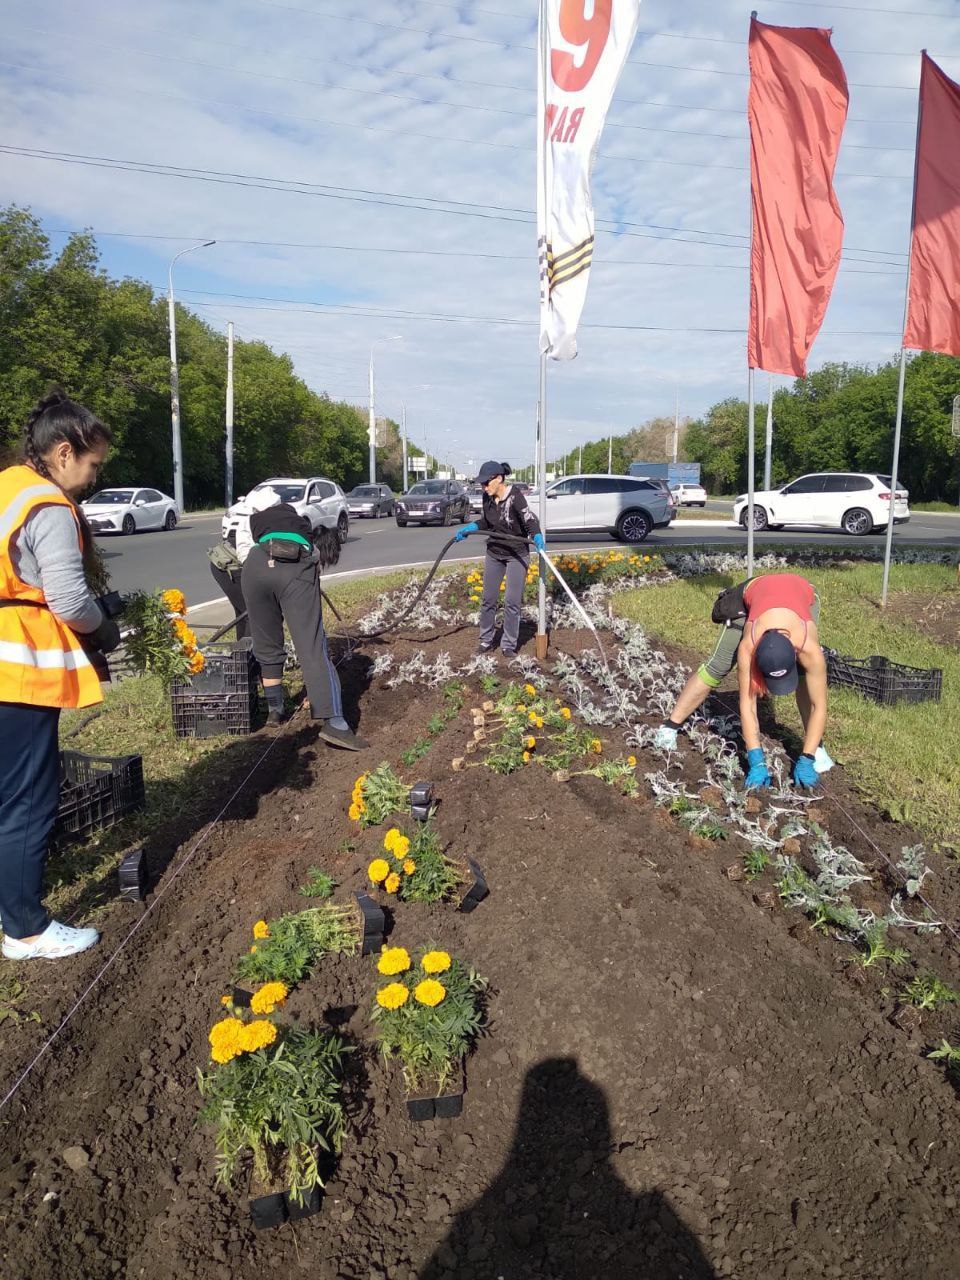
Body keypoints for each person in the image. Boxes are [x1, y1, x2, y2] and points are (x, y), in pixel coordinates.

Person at [0, 391, 120, 960]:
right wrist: (102, 627)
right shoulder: (46, 504)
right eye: (93, 465)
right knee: (26, 798)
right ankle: (25, 929)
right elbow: (69, 598)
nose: (93, 478)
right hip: (15, 669)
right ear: (64, 451)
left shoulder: (7, 487)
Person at [654, 572, 832, 789]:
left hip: (801, 594)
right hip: (754, 594)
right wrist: (756, 760)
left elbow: (819, 705)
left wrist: (806, 758)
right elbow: (747, 705)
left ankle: (815, 748)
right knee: (718, 666)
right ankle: (670, 726)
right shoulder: (748, 646)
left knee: (806, 677)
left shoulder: (809, 648)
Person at [240, 488, 365, 748]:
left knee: (266, 640)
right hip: (294, 566)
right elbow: (314, 556)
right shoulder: (297, 520)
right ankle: (336, 724)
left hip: (253, 567)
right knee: (311, 646)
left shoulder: (254, 522)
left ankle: (275, 709)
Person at [455, 460, 545, 657]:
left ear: (499, 478)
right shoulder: (486, 498)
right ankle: (486, 640)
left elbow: (529, 520)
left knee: (512, 602)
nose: (483, 487)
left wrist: (537, 535)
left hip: (516, 555)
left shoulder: (516, 497)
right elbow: (487, 521)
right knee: (488, 599)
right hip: (495, 553)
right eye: (482, 484)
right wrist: (472, 528)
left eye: (486, 483)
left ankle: (508, 645)